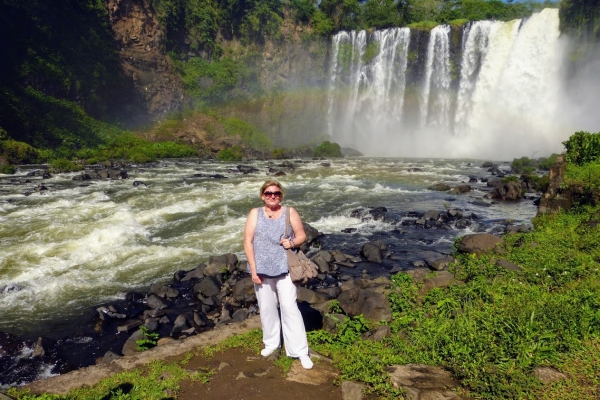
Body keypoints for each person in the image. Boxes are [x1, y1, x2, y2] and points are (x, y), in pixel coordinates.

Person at [243, 180, 313, 370]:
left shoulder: (289, 212)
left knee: (290, 307)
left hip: (285, 269)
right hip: (261, 270)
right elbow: (248, 242)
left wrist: (292, 243)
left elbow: (301, 235)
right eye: (268, 193)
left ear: (281, 195)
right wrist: (253, 269)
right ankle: (271, 343)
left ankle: (300, 351)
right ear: (262, 195)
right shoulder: (255, 213)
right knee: (266, 308)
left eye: (276, 193)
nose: (272, 196)